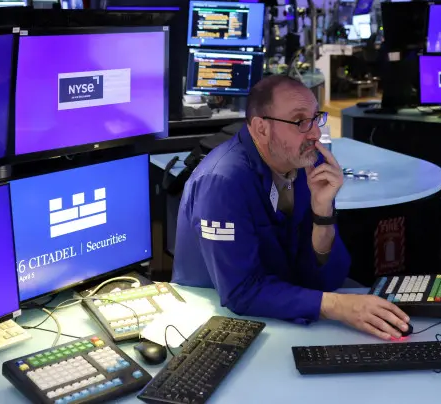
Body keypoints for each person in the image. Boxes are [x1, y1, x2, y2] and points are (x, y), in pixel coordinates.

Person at [173, 75, 410, 340]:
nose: (316, 133)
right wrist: (336, 306)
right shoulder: (223, 182)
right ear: (261, 128)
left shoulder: (307, 164)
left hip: (285, 305)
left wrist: (323, 214)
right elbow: (241, 292)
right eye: (300, 122)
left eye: (315, 117)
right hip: (219, 323)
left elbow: (328, 277)